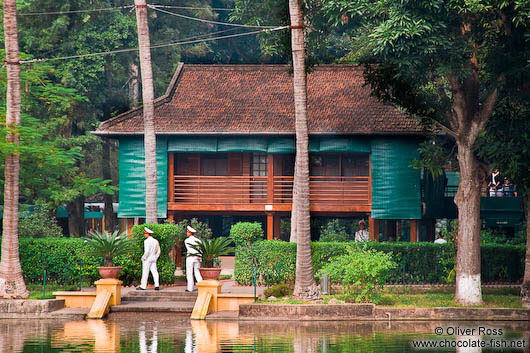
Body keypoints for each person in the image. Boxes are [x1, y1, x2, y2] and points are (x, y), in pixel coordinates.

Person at [184, 225, 203, 292]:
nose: (186, 233)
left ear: (190, 232)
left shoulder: (186, 240)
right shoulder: (198, 240)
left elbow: (190, 249)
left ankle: (190, 288)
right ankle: (202, 287)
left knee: (189, 273)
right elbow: (200, 250)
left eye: (187, 232)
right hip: (197, 258)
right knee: (197, 272)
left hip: (190, 257)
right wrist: (199, 257)